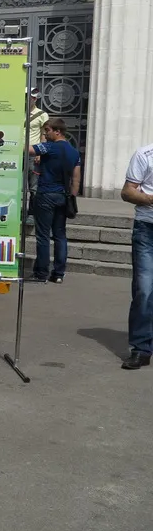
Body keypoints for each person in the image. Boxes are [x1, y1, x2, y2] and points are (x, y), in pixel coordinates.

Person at [28, 117, 80, 283]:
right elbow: (76, 178)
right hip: (63, 197)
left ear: (58, 131)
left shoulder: (49, 147)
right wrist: (72, 197)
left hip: (46, 195)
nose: (45, 134)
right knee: (60, 235)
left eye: (47, 131)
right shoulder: (74, 151)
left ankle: (41, 273)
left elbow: (28, 149)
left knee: (43, 235)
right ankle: (58, 273)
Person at [119, 142, 153, 370]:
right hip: (147, 229)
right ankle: (141, 349)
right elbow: (127, 191)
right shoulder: (145, 154)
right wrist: (150, 199)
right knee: (144, 288)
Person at [27, 88, 48, 225]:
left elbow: (44, 134)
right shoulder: (17, 112)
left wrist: (40, 152)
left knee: (33, 186)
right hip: (17, 153)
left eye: (29, 97)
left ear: (35, 99)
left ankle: (32, 214)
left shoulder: (42, 115)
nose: (26, 99)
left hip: (33, 153)